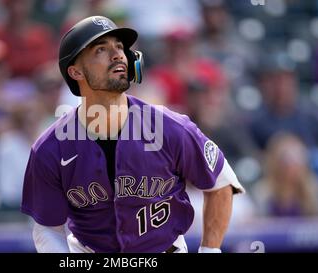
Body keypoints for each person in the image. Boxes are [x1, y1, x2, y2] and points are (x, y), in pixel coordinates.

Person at [21, 16, 244, 253]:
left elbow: (221, 183)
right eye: (101, 50)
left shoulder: (169, 127)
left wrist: (210, 251)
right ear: (75, 71)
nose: (117, 54)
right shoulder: (51, 148)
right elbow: (47, 226)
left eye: (119, 47)